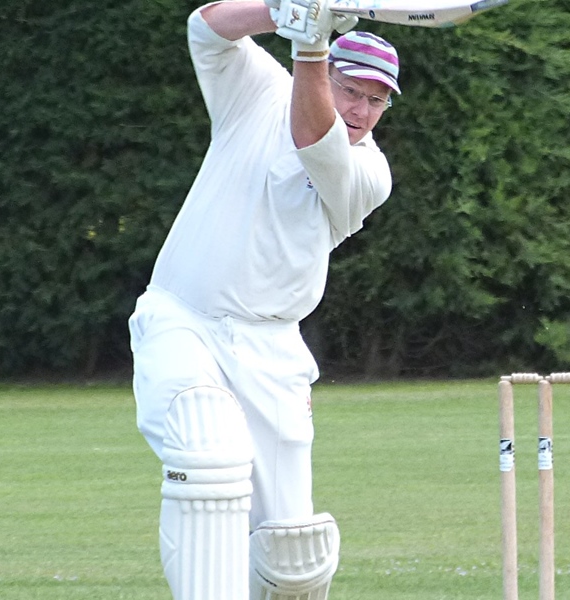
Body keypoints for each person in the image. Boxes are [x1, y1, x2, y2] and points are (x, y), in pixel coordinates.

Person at [128, 0, 400, 598]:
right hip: (184, 319)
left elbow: (313, 137)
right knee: (206, 450)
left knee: (290, 554)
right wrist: (284, 9)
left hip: (273, 351)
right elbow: (207, 26)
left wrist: (310, 47)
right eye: (350, 89)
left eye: (376, 99)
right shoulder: (259, 91)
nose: (360, 109)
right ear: (330, 76)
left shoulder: (368, 174)